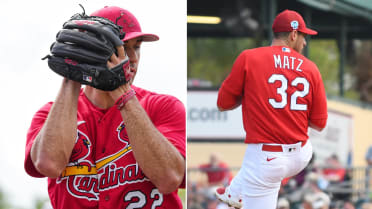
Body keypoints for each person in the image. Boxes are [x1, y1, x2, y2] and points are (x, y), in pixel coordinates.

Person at [24, 6, 186, 209]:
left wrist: (123, 95)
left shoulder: (163, 107)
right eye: (123, 46)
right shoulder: (51, 114)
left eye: (136, 47)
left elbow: (169, 178)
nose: (133, 58)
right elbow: (49, 164)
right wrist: (72, 75)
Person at [214, 9, 328, 209]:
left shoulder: (249, 58)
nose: (305, 42)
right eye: (303, 36)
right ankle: (234, 191)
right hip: (301, 155)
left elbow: (223, 104)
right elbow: (319, 123)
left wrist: (251, 96)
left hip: (267, 158)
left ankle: (236, 190)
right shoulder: (311, 68)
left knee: (255, 159)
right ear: (293, 34)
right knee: (257, 161)